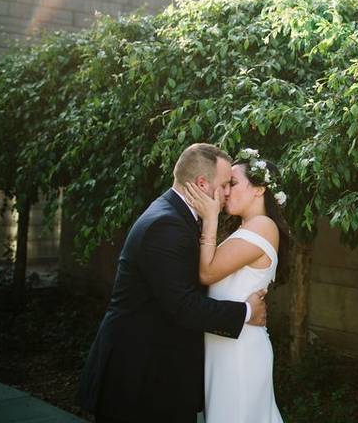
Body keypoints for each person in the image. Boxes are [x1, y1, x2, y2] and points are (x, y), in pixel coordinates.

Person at [77, 143, 268, 423]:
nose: (228, 192)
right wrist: (248, 311)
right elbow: (183, 306)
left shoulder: (177, 217)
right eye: (225, 184)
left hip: (159, 375)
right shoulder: (165, 225)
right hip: (138, 378)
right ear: (202, 183)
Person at [184, 147, 290, 423]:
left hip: (240, 351)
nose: (225, 191)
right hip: (224, 344)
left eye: (232, 183)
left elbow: (207, 273)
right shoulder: (246, 228)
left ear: (259, 189)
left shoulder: (263, 226)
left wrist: (210, 218)